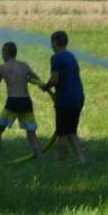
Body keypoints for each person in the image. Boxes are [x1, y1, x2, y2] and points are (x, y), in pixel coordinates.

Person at [0, 41, 44, 164]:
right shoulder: (24, 65)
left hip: (13, 102)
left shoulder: (2, 67)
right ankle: (41, 161)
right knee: (31, 134)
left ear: (5, 53)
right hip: (26, 102)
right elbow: (36, 78)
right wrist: (40, 85)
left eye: (2, 53)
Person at [39, 30, 86, 163]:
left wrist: (45, 87)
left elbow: (54, 80)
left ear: (55, 42)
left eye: (51, 43)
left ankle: (61, 163)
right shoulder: (71, 56)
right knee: (71, 132)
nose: (51, 46)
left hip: (65, 99)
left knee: (62, 134)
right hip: (78, 97)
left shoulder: (56, 57)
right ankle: (81, 160)